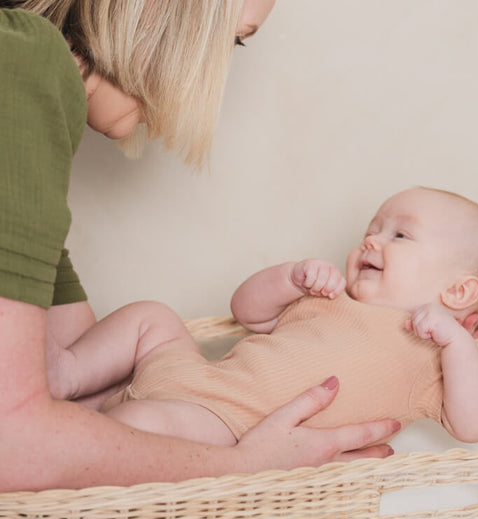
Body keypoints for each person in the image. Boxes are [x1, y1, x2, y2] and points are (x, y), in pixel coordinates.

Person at [0, 0, 404, 492]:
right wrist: (247, 466)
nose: (217, 78)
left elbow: (83, 395)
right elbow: (15, 445)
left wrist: (221, 413)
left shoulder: (28, 83)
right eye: (231, 38)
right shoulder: (20, 58)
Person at [50, 187, 478, 448]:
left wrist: (458, 345)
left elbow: (476, 425)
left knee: (141, 426)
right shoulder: (329, 296)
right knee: (150, 316)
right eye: (371, 230)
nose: (371, 242)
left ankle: (77, 429)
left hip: (227, 427)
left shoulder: (430, 358)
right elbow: (247, 312)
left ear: (457, 291)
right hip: (195, 376)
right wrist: (290, 279)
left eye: (399, 235)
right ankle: (64, 376)